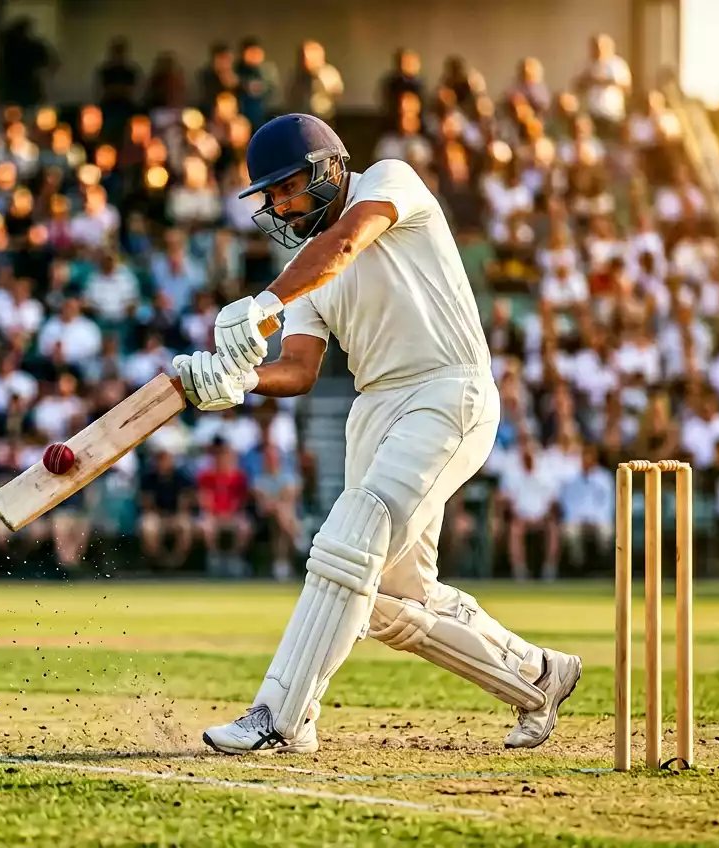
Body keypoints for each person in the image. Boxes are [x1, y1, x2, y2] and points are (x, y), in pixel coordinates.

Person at [172, 113, 581, 754]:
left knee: (352, 535)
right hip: (375, 409)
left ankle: (282, 717)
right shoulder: (304, 271)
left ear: (328, 170)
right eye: (271, 197)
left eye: (287, 189)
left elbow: (345, 245)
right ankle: (538, 675)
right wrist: (241, 380)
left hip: (448, 389)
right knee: (392, 597)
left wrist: (263, 303)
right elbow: (299, 369)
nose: (281, 206)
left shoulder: (387, 181)